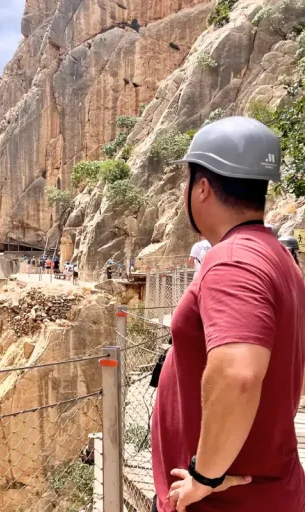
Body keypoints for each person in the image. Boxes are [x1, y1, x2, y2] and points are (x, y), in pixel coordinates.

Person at [152, 117, 305, 512]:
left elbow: (238, 375)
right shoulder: (278, 257)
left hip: (225, 501)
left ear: (201, 187)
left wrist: (205, 475)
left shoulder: (232, 260)